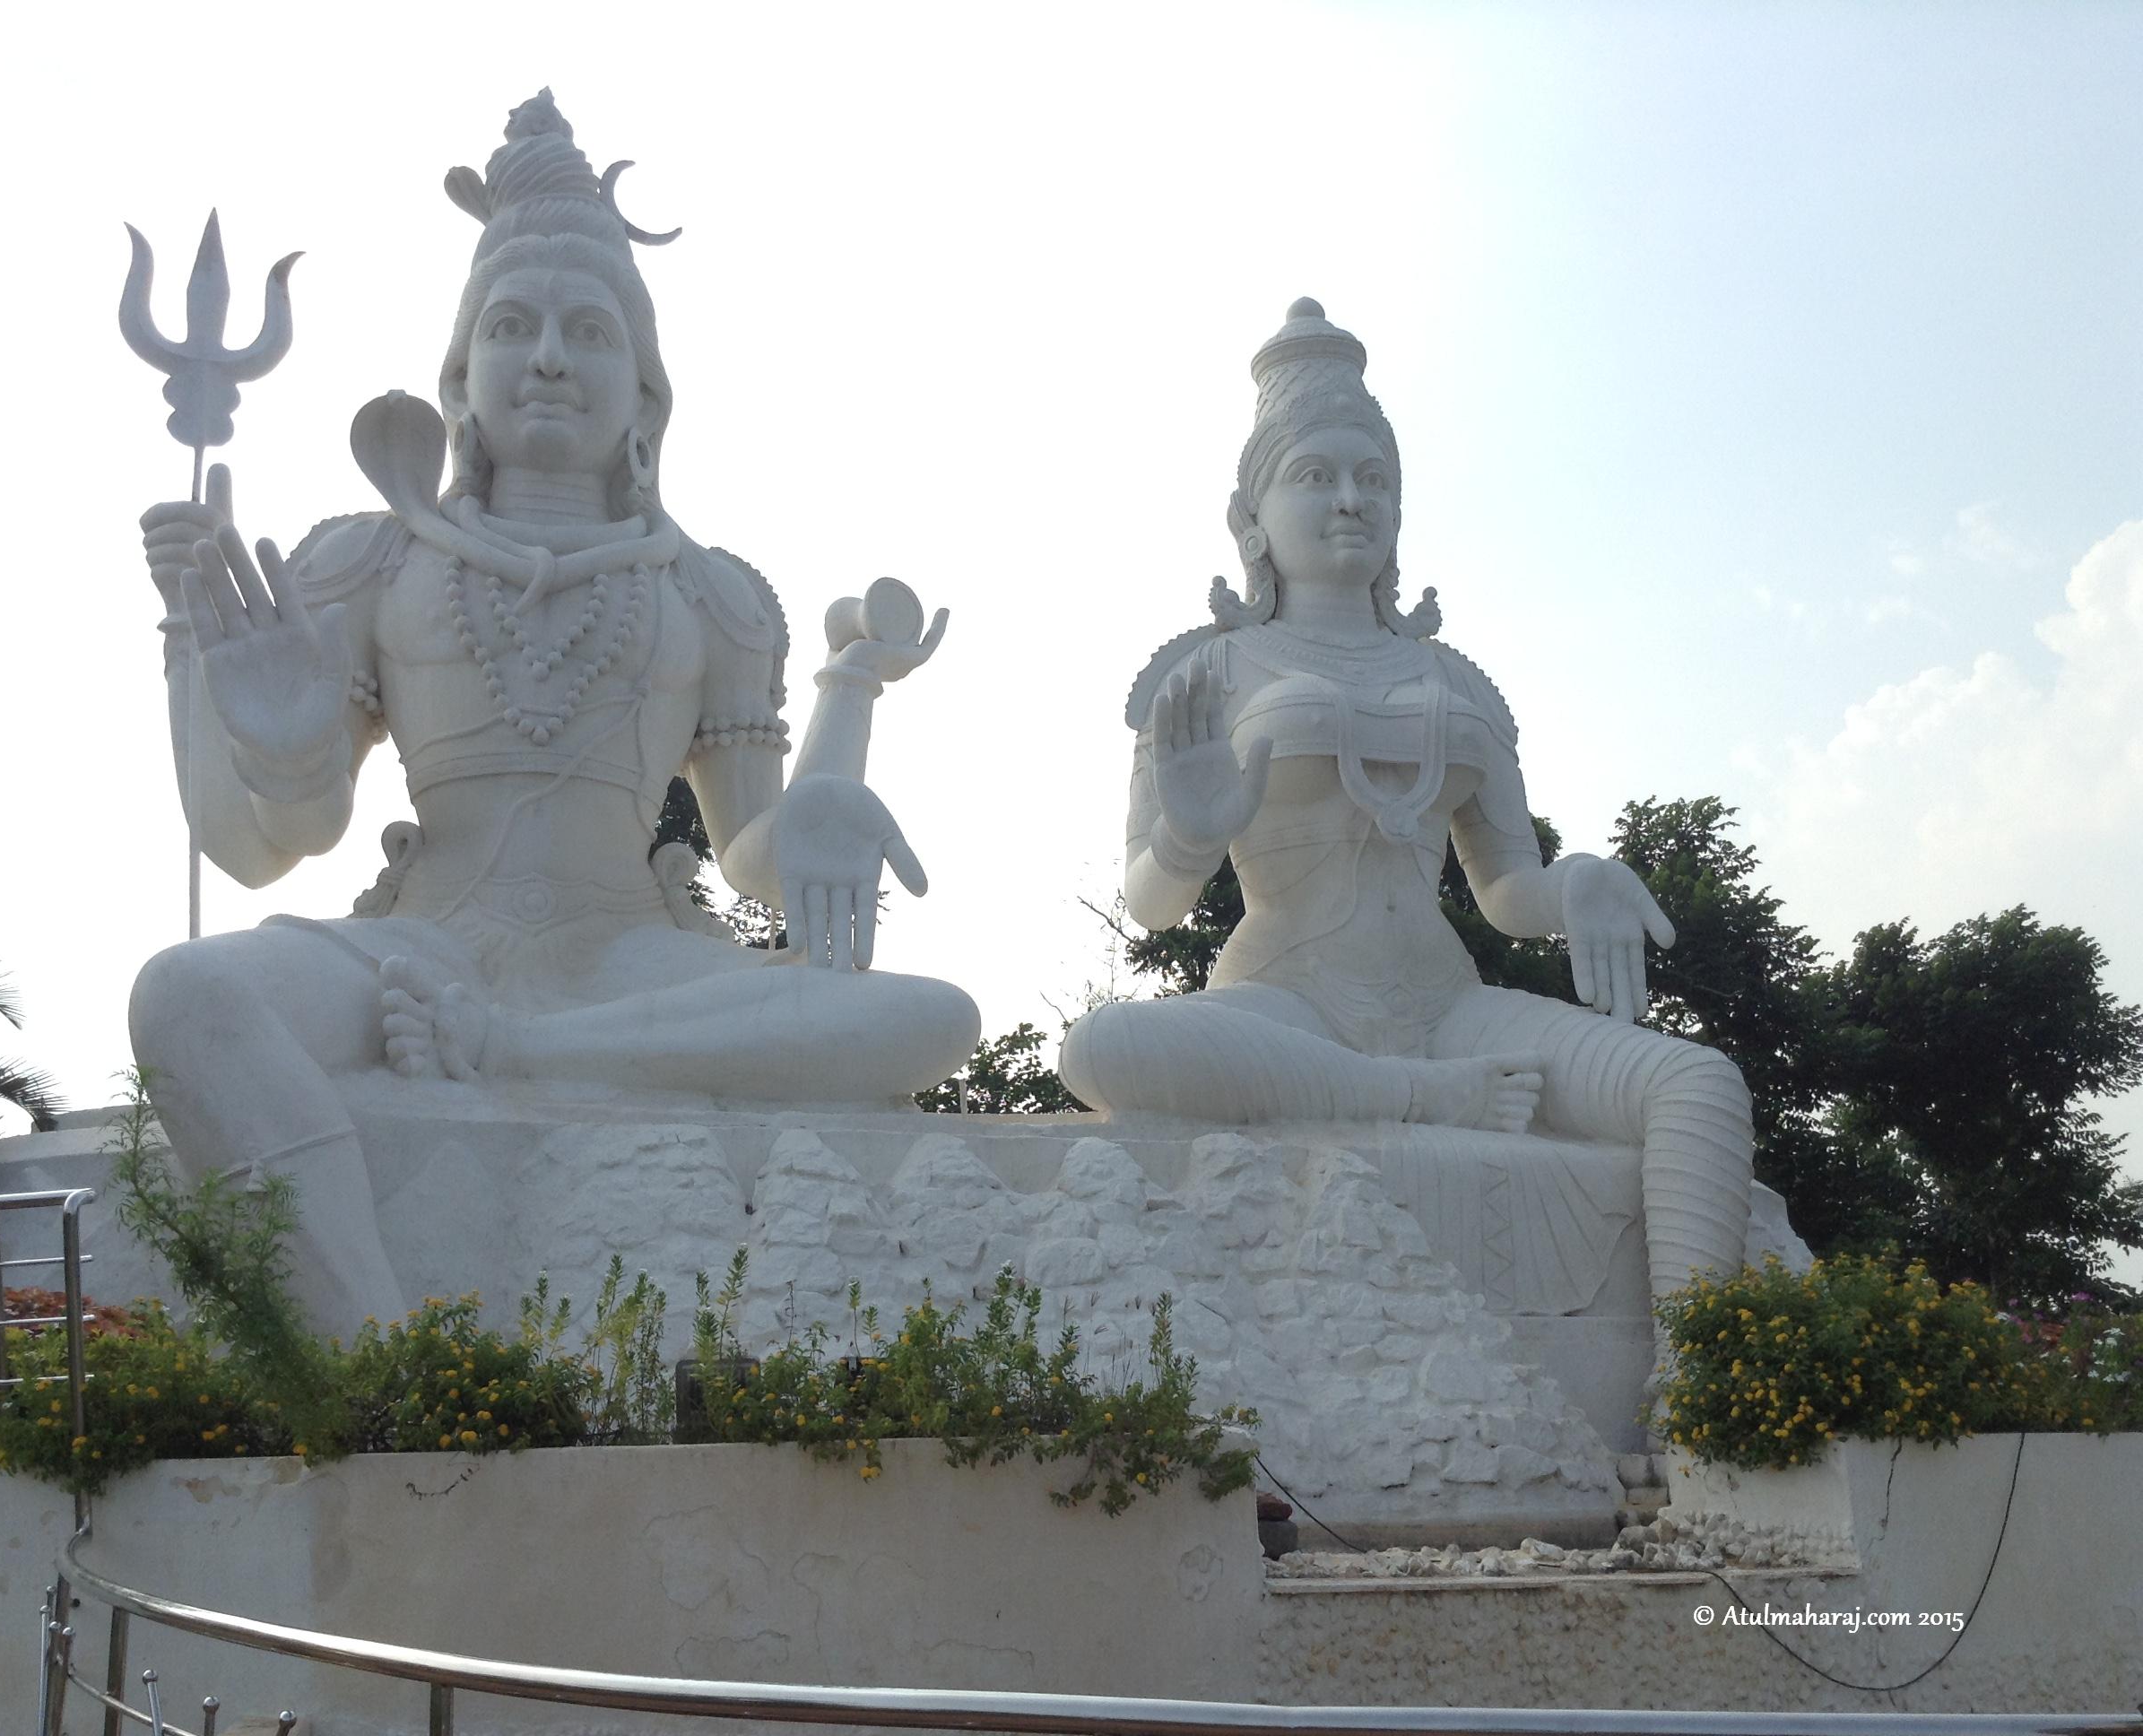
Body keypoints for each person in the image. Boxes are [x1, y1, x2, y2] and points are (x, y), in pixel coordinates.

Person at [130, 91, 978, 1330]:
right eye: (513, 327)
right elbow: (266, 845)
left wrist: (837, 756)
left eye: (588, 331)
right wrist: (232, 694)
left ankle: (524, 1057)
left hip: (627, 966)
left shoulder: (714, 596)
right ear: (458, 373)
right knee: (183, 997)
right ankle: (377, 1365)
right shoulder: (371, 559)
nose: (548, 359)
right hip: (419, 954)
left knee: (929, 1018)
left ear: (644, 392)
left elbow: (757, 870)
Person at [1057, 299, 1751, 1303]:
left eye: (1374, 479)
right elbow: (1153, 905)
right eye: (1316, 475)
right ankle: (1413, 1099)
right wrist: (1186, 834)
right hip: (1288, 1004)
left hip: (1448, 1004)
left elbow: (1507, 887)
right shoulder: (1206, 676)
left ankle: (1709, 1390)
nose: (1351, 500)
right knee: (1107, 1044)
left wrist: (1577, 887)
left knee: (1698, 1086)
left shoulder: (1456, 681)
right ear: (1248, 518)